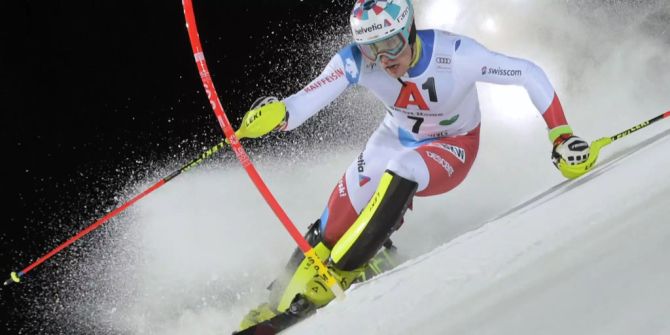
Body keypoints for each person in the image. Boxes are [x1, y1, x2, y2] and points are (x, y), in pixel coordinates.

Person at [237, 0, 590, 329]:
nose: (384, 58)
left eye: (391, 43)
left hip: (454, 145)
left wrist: (561, 135)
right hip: (395, 135)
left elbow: (527, 73)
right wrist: (278, 114)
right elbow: (302, 104)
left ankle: (343, 272)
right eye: (371, 48)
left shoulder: (455, 53)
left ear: (410, 30)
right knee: (337, 217)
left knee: (405, 168)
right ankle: (275, 300)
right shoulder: (357, 61)